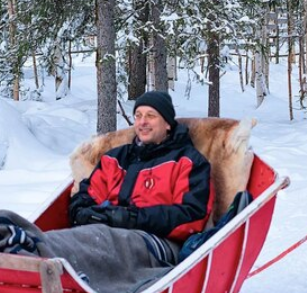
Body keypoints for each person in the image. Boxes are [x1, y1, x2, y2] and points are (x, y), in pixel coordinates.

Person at [68, 91, 212, 244]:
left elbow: (192, 216)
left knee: (96, 245)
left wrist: (133, 218)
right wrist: (83, 213)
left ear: (168, 124)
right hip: (103, 235)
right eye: (138, 115)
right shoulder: (115, 158)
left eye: (151, 116)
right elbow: (87, 195)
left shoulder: (188, 162)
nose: (143, 122)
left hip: (157, 242)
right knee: (55, 242)